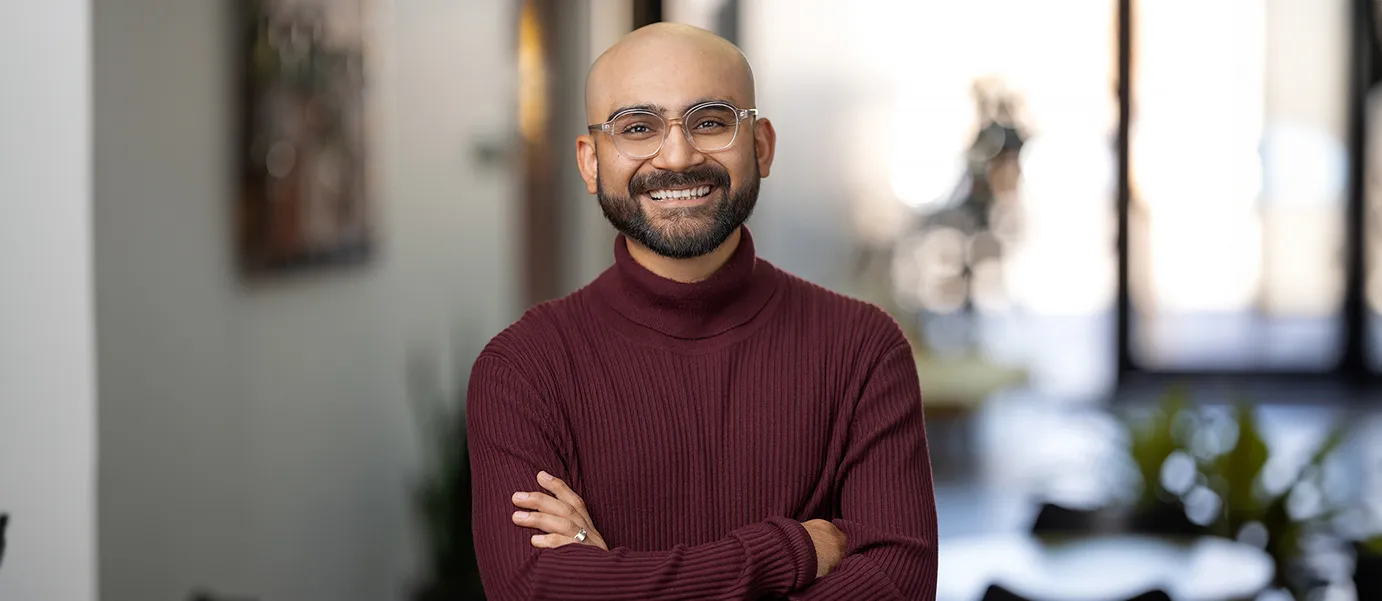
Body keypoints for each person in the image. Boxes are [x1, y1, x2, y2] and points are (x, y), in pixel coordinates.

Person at [467, 22, 937, 600]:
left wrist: (612, 573)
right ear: (590, 163)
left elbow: (900, 583)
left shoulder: (864, 349)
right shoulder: (523, 368)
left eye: (710, 121)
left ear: (761, 145)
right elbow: (533, 590)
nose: (677, 155)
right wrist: (791, 550)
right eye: (637, 128)